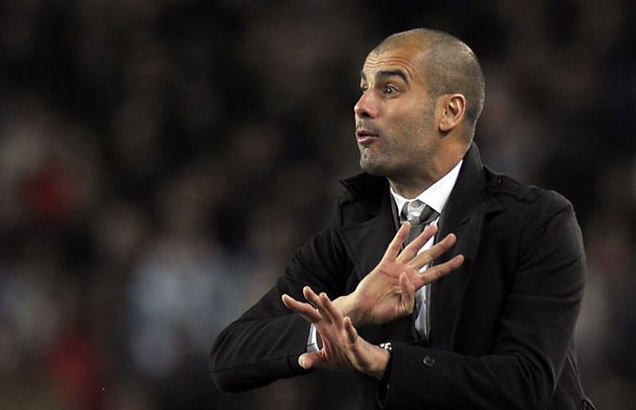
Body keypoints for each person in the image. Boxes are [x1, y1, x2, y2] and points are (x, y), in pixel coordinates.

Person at [209, 28, 596, 409]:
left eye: (389, 89)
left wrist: (385, 362)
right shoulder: (353, 226)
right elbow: (230, 356)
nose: (361, 106)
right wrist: (349, 310)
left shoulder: (536, 220)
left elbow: (525, 383)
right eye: (363, 88)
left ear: (449, 112)